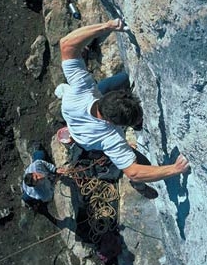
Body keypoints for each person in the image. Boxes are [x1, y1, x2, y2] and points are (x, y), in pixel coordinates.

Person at [59, 18, 190, 197]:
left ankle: (131, 106)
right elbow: (134, 171)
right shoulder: (110, 138)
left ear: (110, 97)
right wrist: (174, 169)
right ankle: (140, 187)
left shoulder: (81, 89)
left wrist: (107, 26)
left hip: (78, 111)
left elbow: (66, 45)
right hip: (86, 139)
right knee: (142, 163)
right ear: (115, 124)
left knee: (123, 78)